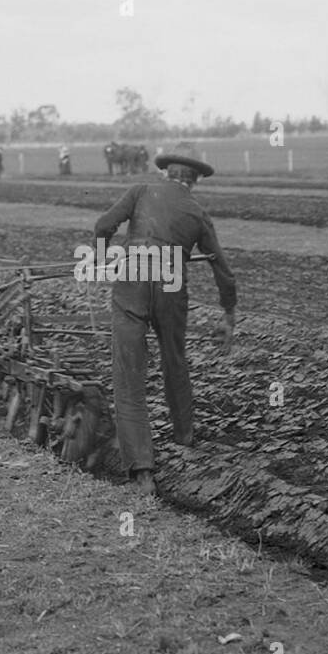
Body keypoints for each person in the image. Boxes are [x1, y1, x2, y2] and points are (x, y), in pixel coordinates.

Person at [93, 146, 237, 496]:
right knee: (175, 358)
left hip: (133, 280)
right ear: (195, 181)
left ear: (165, 174)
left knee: (129, 374)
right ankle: (184, 436)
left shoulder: (141, 191)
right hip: (172, 286)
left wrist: (102, 259)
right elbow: (222, 270)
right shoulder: (198, 212)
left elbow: (102, 225)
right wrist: (228, 314)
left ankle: (143, 471)